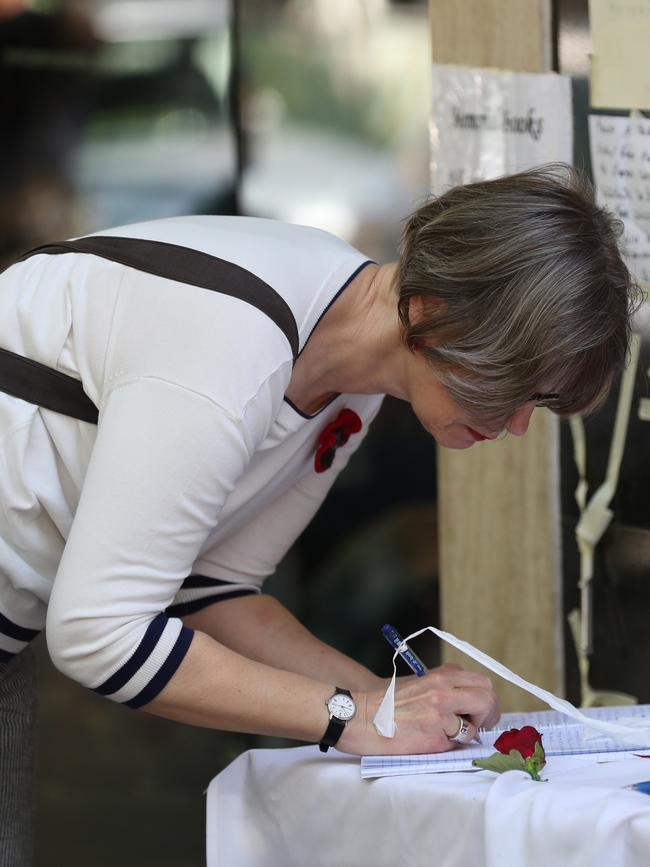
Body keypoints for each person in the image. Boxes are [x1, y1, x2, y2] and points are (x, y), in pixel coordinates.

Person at [0, 164, 636, 864]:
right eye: (512, 385)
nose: (518, 425)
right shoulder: (231, 342)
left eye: (537, 402)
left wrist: (389, 700)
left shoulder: (350, 357)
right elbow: (99, 634)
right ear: (431, 312)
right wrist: (350, 716)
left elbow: (213, 587)